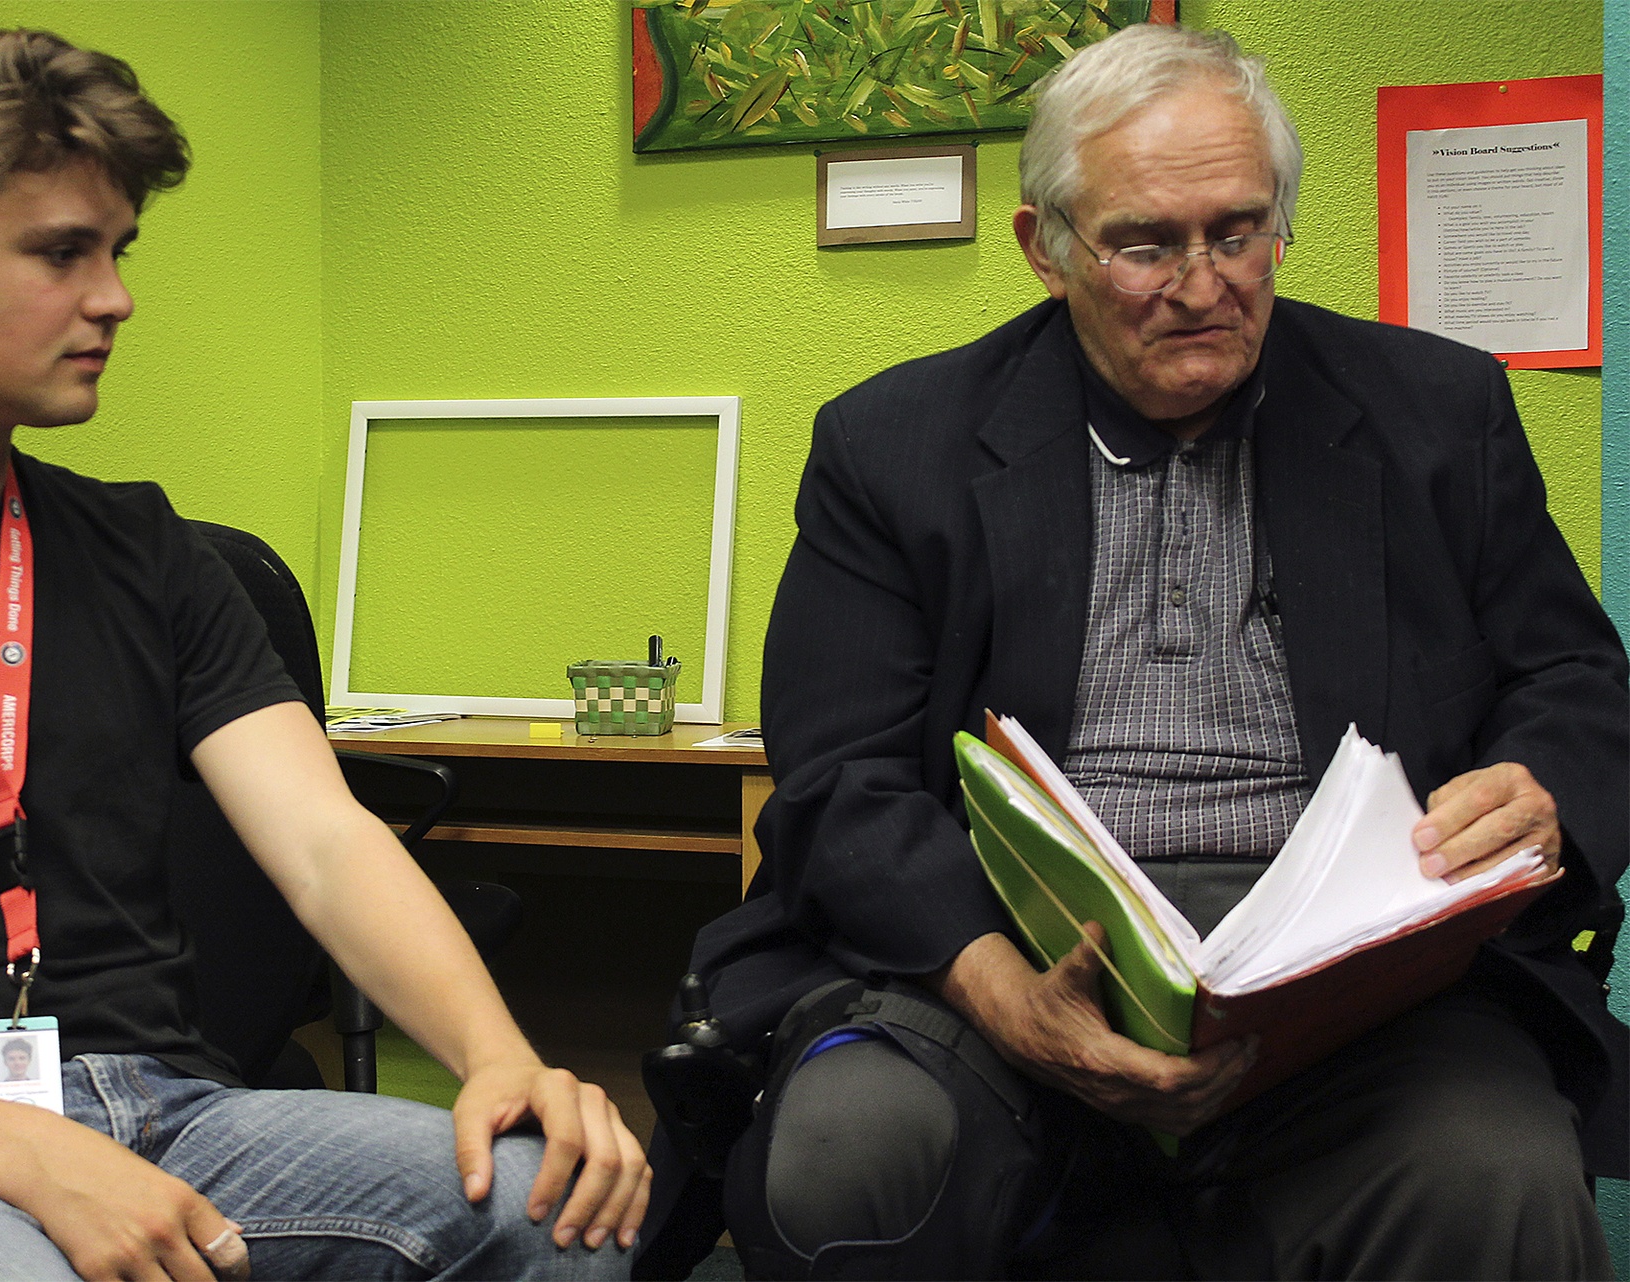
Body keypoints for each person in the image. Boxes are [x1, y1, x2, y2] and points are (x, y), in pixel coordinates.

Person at [0, 21, 647, 1282]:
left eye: (117, 250)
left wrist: (498, 1057)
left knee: (548, 1205)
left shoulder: (147, 552)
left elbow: (324, 844)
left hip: (169, 1113)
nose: (114, 296)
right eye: (60, 252)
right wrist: (24, 1156)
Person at [641, 23, 1628, 1281]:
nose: (1203, 282)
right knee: (843, 1150)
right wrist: (1003, 994)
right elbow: (839, 779)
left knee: (1495, 1177)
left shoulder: (1436, 414)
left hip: (1347, 991)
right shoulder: (895, 446)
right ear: (1045, 248)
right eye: (1144, 243)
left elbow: (1578, 685)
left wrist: (1540, 783)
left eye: (1237, 230)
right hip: (998, 957)